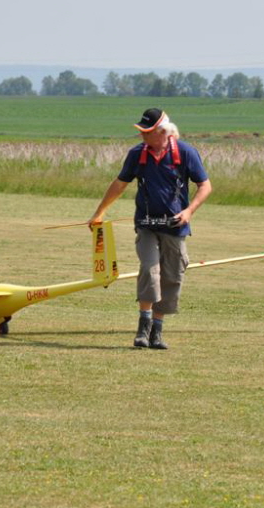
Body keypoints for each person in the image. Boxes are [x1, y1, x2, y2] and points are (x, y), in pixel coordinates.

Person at [88, 108, 212, 349]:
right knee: (149, 269)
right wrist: (99, 212)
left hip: (175, 227)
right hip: (145, 225)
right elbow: (120, 184)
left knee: (172, 276)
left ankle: (157, 331)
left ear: (163, 131)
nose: (142, 136)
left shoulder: (186, 153)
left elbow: (205, 186)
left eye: (147, 132)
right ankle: (142, 330)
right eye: (141, 131)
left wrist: (189, 211)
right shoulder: (137, 154)